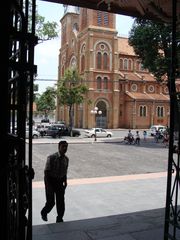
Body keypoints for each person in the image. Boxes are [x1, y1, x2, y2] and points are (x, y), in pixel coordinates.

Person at [41, 140, 69, 223]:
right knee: (51, 202)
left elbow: (65, 171)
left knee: (61, 202)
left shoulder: (66, 159)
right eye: (63, 146)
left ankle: (59, 218)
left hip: (60, 182)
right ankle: (44, 212)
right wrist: (48, 185)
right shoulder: (52, 157)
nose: (65, 148)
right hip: (51, 181)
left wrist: (65, 182)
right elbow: (46, 172)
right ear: (59, 147)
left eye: (66, 146)